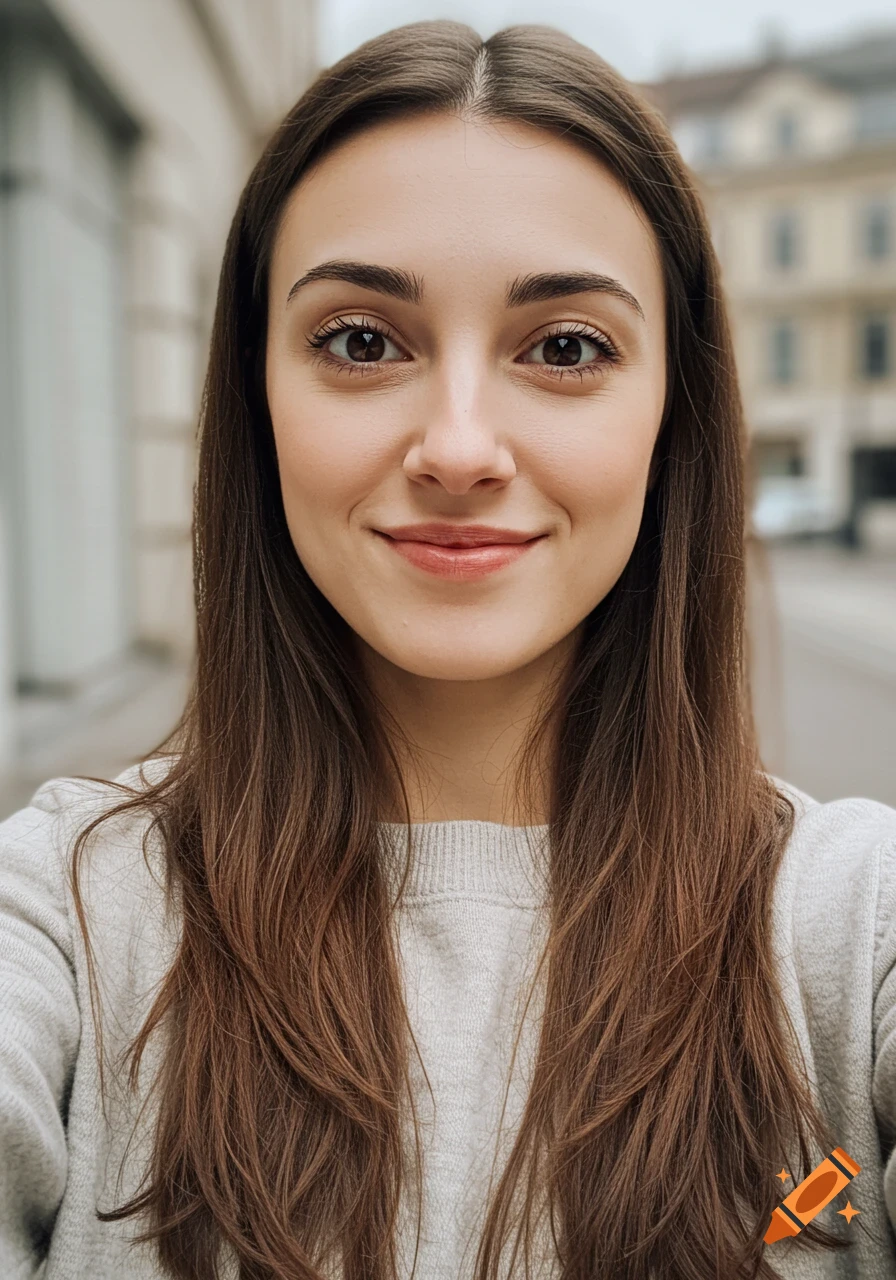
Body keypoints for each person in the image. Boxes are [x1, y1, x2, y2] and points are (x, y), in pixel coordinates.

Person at [1, 18, 895, 1280]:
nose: (460, 447)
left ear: (671, 409)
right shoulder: (64, 911)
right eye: (361, 341)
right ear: (255, 395)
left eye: (565, 347)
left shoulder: (852, 927)